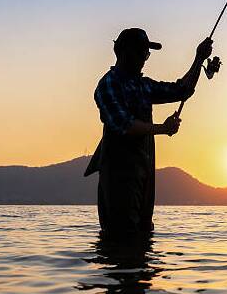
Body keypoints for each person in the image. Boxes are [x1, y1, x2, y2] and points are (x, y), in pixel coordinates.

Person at [84, 28, 214, 236]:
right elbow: (123, 125)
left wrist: (199, 58)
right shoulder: (108, 85)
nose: (146, 57)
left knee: (143, 233)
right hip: (119, 176)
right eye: (142, 52)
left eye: (147, 53)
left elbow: (182, 90)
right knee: (120, 235)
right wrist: (162, 129)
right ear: (125, 53)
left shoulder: (143, 86)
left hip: (143, 174)